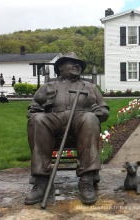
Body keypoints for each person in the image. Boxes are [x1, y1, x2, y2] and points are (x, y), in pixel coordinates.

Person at [25, 52, 109, 205]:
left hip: (80, 120)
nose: (77, 66)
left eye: (79, 64)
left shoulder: (90, 87)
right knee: (37, 120)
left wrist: (99, 113)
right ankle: (41, 180)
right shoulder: (47, 86)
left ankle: (86, 179)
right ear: (61, 67)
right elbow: (32, 110)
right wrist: (35, 111)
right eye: (72, 63)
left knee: (90, 118)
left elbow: (104, 110)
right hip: (53, 120)